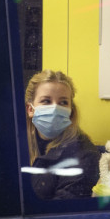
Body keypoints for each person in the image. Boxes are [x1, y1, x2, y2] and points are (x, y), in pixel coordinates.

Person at [25, 69, 100, 199]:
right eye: (46, 101)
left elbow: (62, 208)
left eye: (63, 102)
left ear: (70, 111)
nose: (55, 108)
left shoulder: (85, 155)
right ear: (30, 109)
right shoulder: (17, 144)